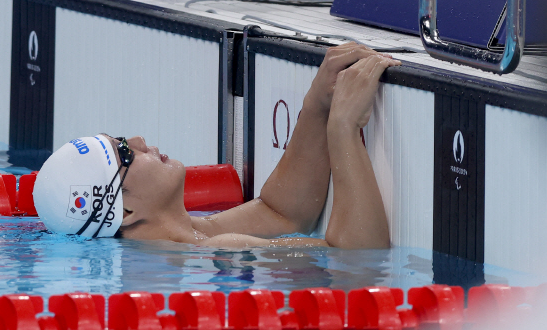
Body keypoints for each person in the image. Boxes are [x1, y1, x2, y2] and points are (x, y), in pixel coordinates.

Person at [33, 43, 400, 249]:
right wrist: (343, 129)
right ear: (126, 211)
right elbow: (355, 264)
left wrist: (318, 104)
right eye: (125, 153)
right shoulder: (217, 252)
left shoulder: (195, 235)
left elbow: (281, 214)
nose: (138, 140)